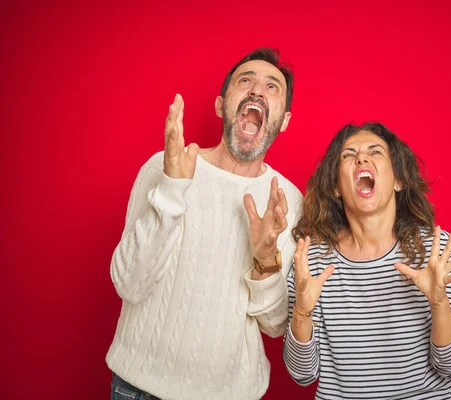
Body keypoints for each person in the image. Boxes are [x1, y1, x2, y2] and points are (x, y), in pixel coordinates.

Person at [106, 48, 303, 400]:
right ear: (220, 105)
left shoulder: (286, 200)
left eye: (272, 87)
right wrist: (172, 189)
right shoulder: (164, 167)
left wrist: (265, 262)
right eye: (246, 81)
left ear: (284, 120)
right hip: (139, 388)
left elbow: (275, 325)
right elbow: (129, 284)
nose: (257, 90)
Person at [283, 122, 451, 399]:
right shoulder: (310, 259)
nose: (361, 158)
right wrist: (302, 310)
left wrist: (439, 302)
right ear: (336, 187)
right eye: (348, 155)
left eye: (376, 152)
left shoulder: (435, 250)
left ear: (398, 180)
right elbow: (302, 375)